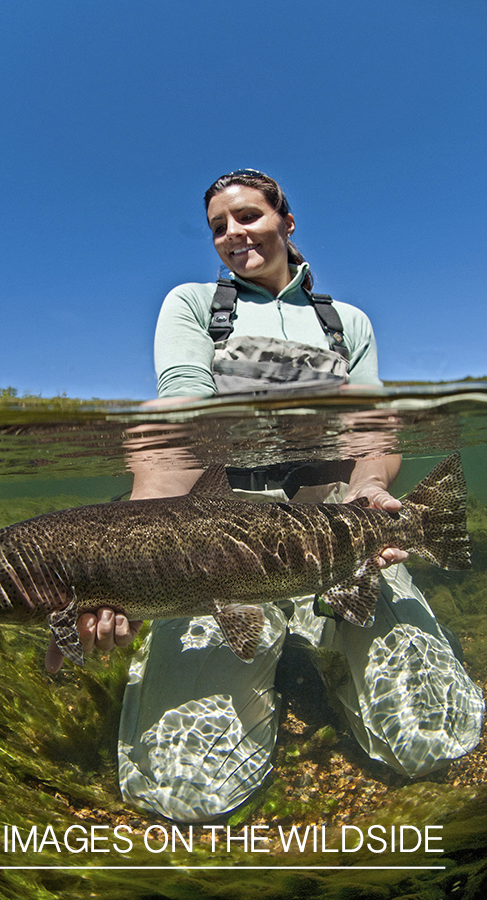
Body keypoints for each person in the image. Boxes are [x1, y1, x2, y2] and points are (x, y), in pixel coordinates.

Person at [46, 169, 484, 821]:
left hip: (333, 539)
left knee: (435, 738)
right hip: (217, 550)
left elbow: (372, 430)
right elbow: (178, 425)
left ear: (286, 221)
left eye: (248, 216)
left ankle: (311, 645)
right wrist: (123, 564)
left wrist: (368, 488)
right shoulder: (193, 306)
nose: (233, 234)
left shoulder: (346, 322)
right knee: (184, 792)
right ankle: (272, 659)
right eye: (218, 227)